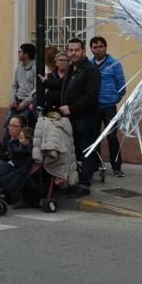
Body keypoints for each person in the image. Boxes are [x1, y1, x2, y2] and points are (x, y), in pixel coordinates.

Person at [60, 38, 101, 197]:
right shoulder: (72, 68)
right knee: (75, 150)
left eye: (76, 50)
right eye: (70, 50)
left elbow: (91, 97)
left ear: (84, 51)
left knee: (86, 151)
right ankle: (75, 180)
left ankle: (84, 184)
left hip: (86, 118)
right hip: (71, 118)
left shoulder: (91, 70)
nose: (73, 53)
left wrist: (71, 108)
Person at [90, 36, 126, 177]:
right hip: (93, 107)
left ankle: (117, 167)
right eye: (95, 47)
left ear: (105, 47)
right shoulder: (89, 64)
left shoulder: (114, 64)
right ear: (91, 49)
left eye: (100, 46)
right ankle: (97, 164)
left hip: (109, 107)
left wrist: (115, 98)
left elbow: (121, 85)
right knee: (94, 137)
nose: (98, 49)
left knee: (112, 137)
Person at [0, 125, 34, 200]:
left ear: (28, 140)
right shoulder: (22, 148)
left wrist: (13, 143)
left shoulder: (26, 151)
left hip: (16, 171)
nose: (19, 140)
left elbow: (18, 157)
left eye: (21, 138)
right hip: (14, 168)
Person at [5, 43, 37, 132]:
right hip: (17, 102)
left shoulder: (35, 68)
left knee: (21, 126)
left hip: (29, 104)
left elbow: (36, 90)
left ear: (26, 54)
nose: (18, 54)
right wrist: (13, 99)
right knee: (7, 124)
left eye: (20, 52)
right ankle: (6, 146)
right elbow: (15, 85)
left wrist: (25, 103)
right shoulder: (19, 68)